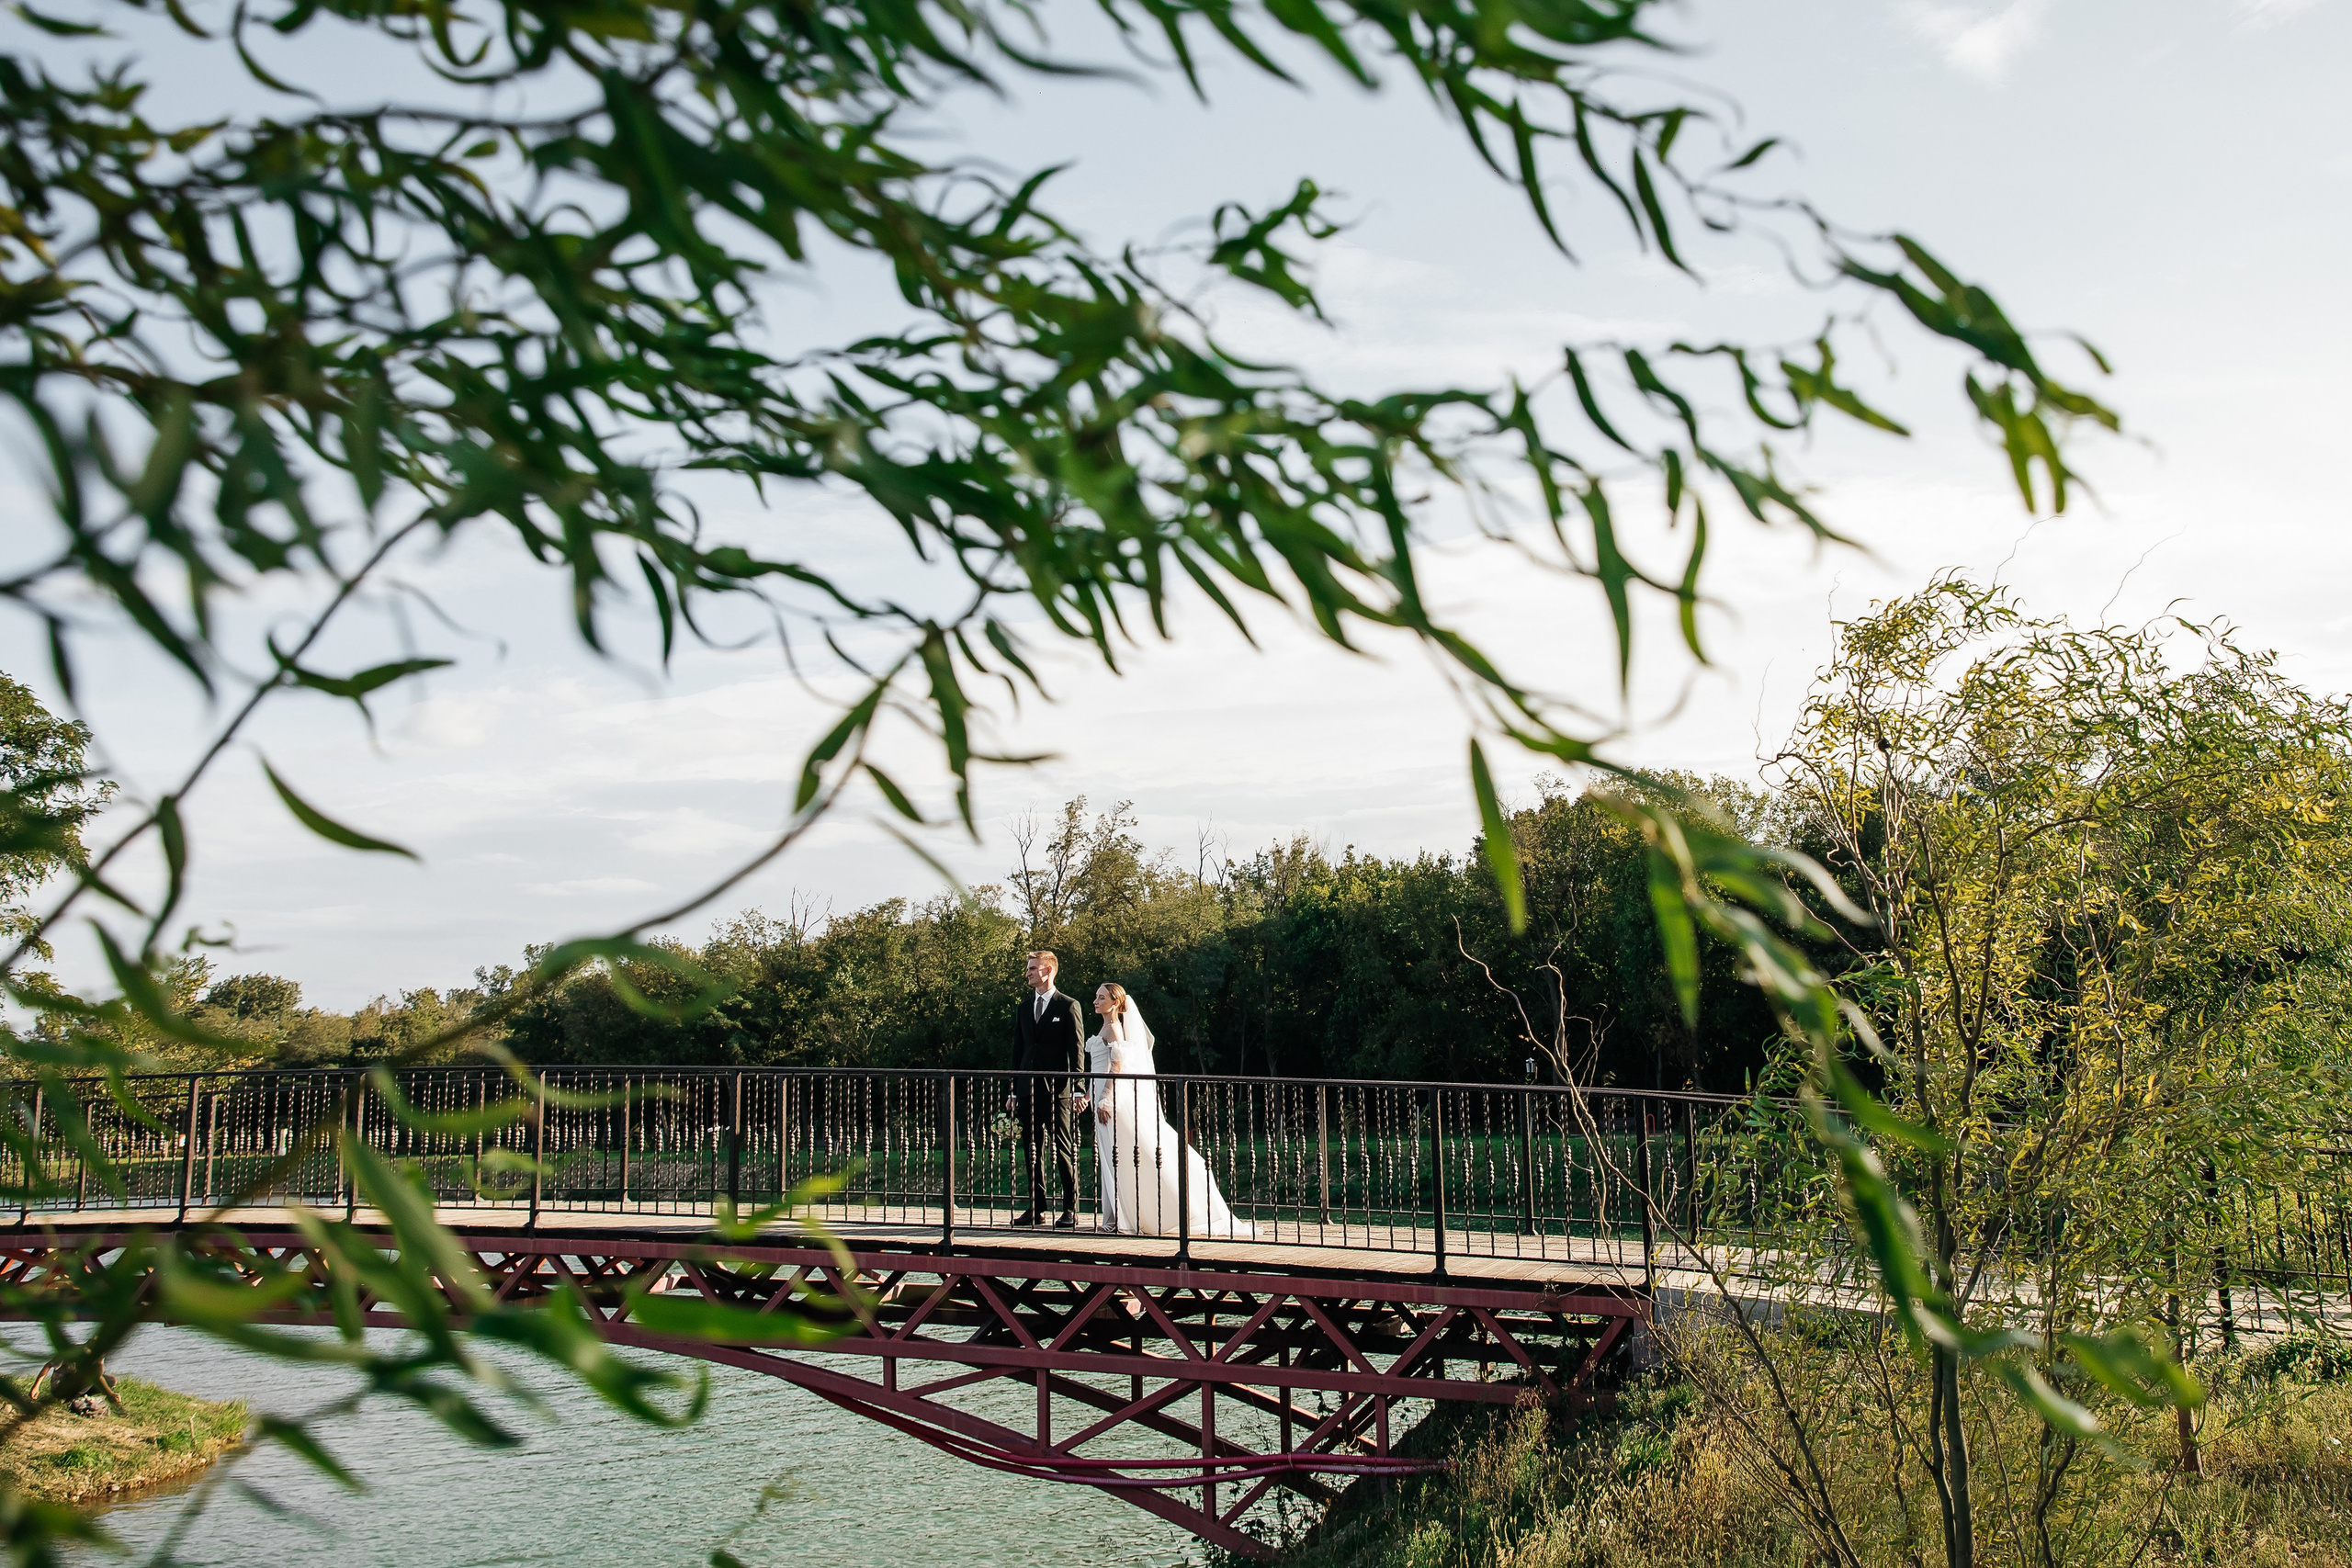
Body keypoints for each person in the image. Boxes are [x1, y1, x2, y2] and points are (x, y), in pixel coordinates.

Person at [1087, 982, 1254, 1239]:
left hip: (1109, 1098)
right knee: (1111, 1155)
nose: (1096, 1001)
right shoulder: (1105, 1027)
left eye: (1101, 997)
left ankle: (1123, 1217)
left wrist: (1106, 1098)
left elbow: (1117, 1065)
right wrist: (1091, 1092)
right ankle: (1114, 1217)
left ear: (1115, 1003)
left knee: (1118, 1154)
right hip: (1099, 1092)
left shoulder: (1114, 1029)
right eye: (1097, 997)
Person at [1008, 950, 1083, 1228]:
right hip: (1027, 1088)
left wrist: (1077, 1087)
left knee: (1063, 1147)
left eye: (1033, 968)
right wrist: (1013, 1090)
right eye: (1028, 967)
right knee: (1031, 1147)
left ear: (1048, 970)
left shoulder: (1068, 1006)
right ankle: (1037, 1208)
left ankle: (1070, 1209)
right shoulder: (1024, 1007)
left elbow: (1076, 1050)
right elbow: (1019, 1049)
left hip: (1058, 1090)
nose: (1028, 972)